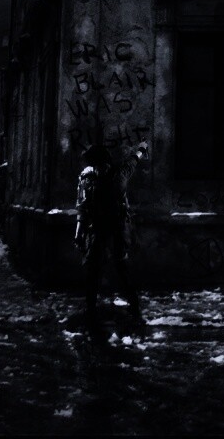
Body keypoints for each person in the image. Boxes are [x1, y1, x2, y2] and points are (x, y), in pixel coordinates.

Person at [75, 140, 147, 329]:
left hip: (117, 227)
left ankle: (135, 308)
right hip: (98, 228)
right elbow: (82, 206)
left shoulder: (119, 174)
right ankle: (91, 309)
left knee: (121, 267)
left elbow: (133, 161)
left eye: (100, 166)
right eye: (95, 166)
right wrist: (79, 232)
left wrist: (141, 149)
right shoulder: (88, 178)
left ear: (106, 164)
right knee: (93, 268)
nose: (98, 169)